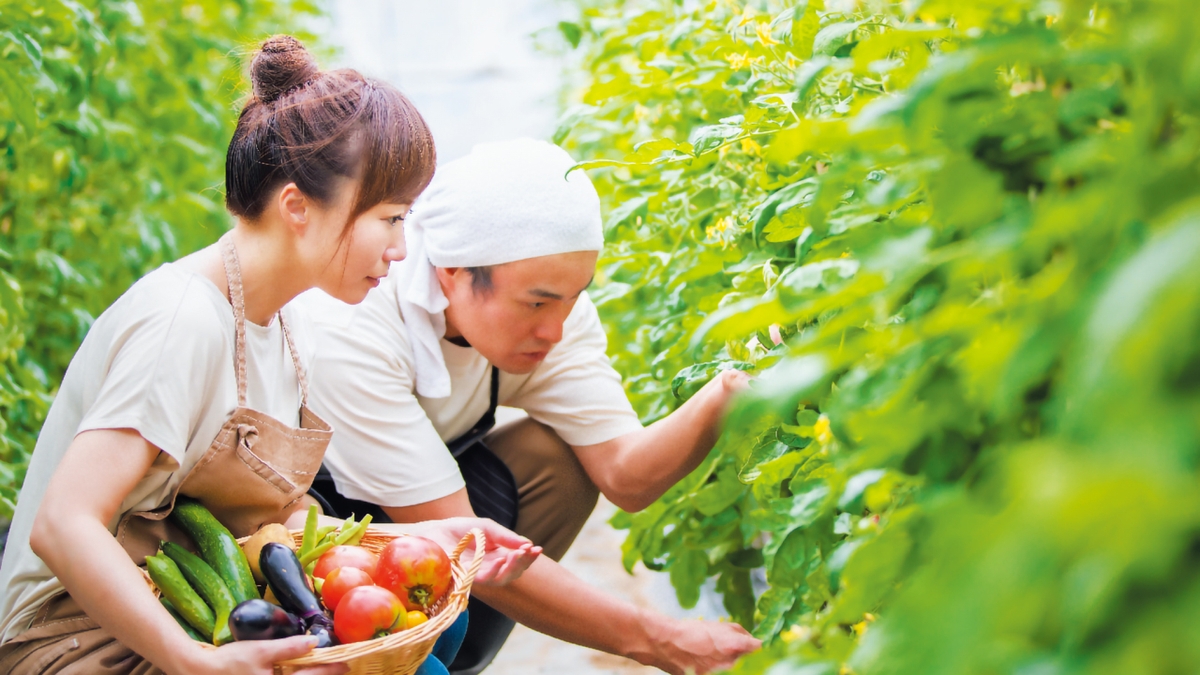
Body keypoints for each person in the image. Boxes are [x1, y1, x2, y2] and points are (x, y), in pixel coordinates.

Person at [0, 36, 539, 675]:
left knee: (439, 643)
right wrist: (192, 660)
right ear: (297, 207)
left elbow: (274, 518)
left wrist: (408, 540)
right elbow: (63, 525)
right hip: (74, 638)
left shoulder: (283, 323)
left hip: (191, 606)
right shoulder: (184, 321)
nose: (401, 249)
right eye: (392, 218)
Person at [302, 138, 761, 675]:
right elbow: (465, 539)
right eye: (537, 302)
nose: (555, 329)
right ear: (453, 270)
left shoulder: (554, 316)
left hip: (421, 518)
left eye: (574, 297)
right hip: (318, 528)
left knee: (557, 461)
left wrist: (728, 392)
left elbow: (626, 474)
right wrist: (656, 640)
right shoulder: (359, 328)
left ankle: (456, 658)